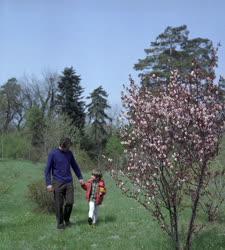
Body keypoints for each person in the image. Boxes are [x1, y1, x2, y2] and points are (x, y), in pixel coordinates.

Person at [45, 137, 84, 229]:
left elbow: (75, 166)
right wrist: (49, 184)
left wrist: (80, 177)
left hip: (68, 182)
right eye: (68, 146)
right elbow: (47, 170)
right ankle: (60, 223)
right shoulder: (53, 154)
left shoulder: (69, 154)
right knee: (59, 204)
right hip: (57, 182)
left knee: (70, 202)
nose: (69, 148)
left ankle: (66, 220)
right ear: (63, 145)